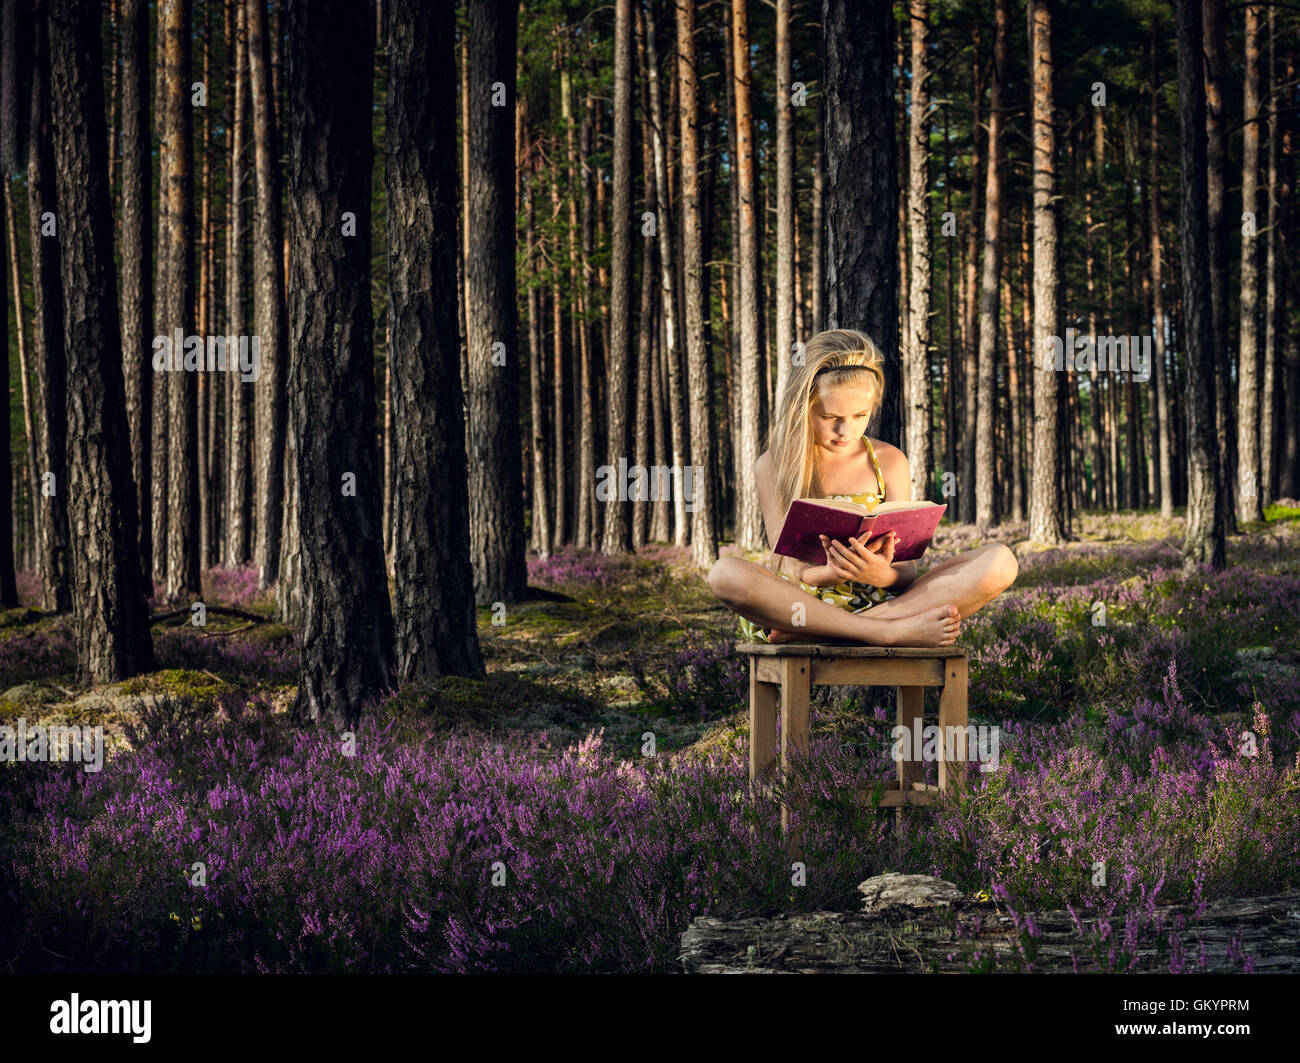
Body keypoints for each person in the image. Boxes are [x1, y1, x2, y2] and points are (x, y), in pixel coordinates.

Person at [708, 328, 1018, 647]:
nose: (846, 430)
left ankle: (837, 632)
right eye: (830, 416)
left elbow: (906, 570)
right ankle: (884, 632)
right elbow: (789, 565)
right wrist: (830, 574)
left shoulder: (890, 461)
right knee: (724, 573)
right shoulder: (775, 465)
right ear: (802, 408)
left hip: (882, 602)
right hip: (800, 606)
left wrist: (879, 574)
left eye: (860, 415)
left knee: (1001, 560)